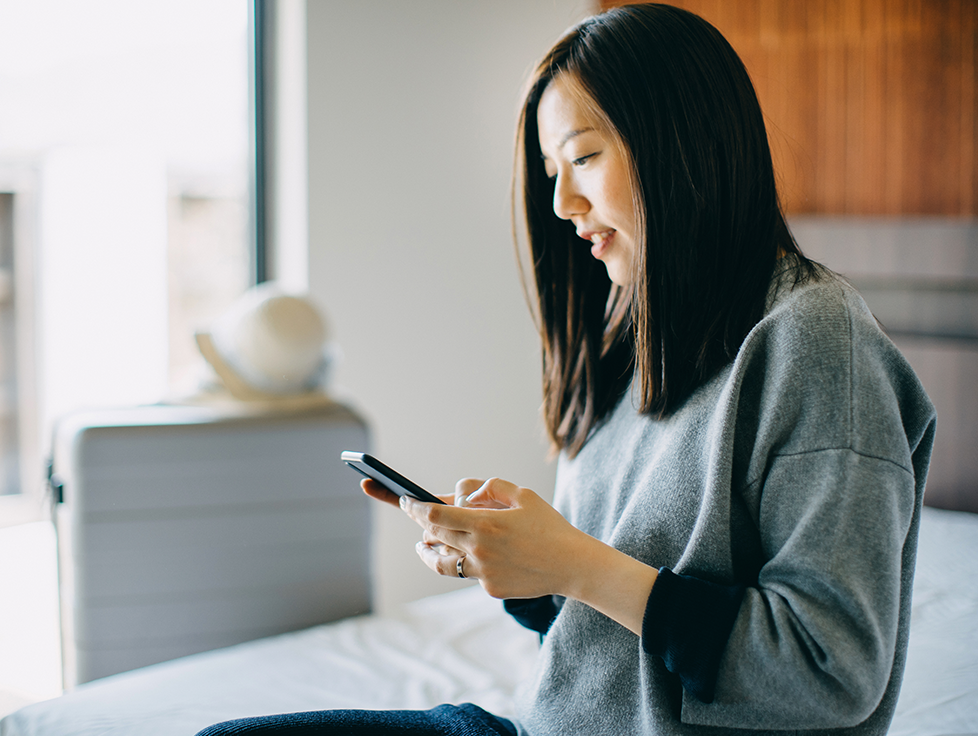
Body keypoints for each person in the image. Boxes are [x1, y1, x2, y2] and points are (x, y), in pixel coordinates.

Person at [197, 4, 936, 735]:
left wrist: (578, 564)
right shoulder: (635, 334)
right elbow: (614, 630)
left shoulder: (815, 343)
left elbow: (830, 674)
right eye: (552, 170)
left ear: (683, 141)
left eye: (583, 157)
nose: (560, 203)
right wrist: (521, 563)